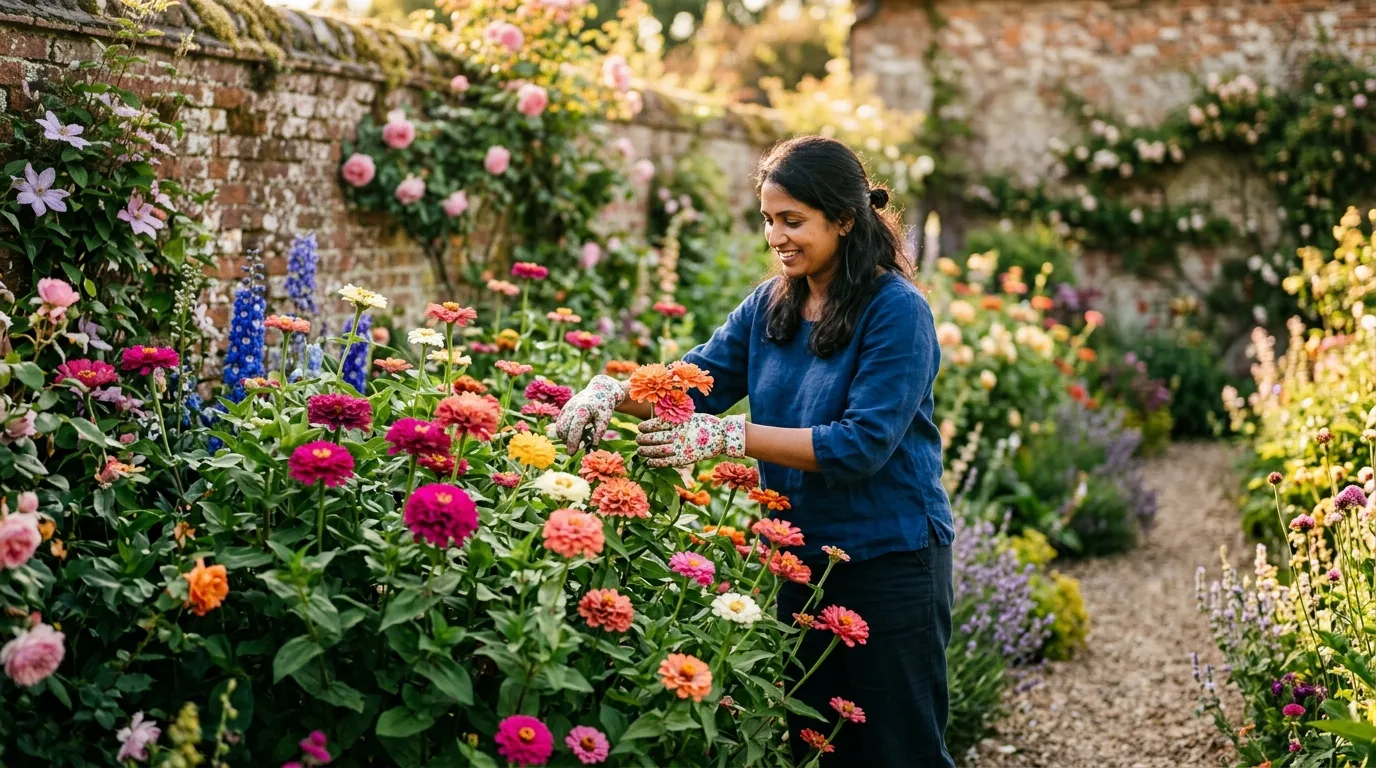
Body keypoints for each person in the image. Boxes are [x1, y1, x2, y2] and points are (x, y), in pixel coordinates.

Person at [553, 135, 955, 767]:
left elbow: (862, 445)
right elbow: (690, 382)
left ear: (845, 220)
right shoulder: (772, 305)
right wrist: (609, 390)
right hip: (799, 556)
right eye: (769, 220)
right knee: (816, 746)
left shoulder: (896, 311)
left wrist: (727, 436)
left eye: (793, 221)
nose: (777, 237)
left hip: (891, 557)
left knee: (898, 749)